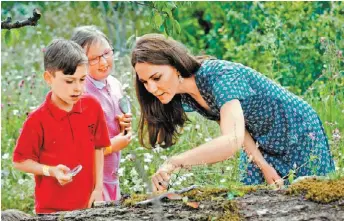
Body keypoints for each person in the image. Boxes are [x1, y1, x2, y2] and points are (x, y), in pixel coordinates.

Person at [131, 33, 335, 191]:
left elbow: (231, 140)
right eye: (145, 82)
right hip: (260, 140)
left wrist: (176, 162)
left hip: (296, 128)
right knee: (252, 197)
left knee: (308, 195)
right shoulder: (184, 95)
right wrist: (262, 164)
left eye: (156, 78)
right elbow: (237, 126)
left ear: (175, 65)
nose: (152, 89)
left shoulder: (218, 76)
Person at [12, 39, 110, 213]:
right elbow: (20, 161)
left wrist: (98, 189)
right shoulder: (37, 120)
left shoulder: (92, 107)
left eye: (82, 79)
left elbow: (98, 148)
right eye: (69, 81)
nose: (78, 88)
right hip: (51, 210)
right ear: (48, 78)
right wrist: (51, 171)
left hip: (89, 205)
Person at [71, 26, 132, 201]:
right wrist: (113, 144)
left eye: (106, 53)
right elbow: (77, 149)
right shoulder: (80, 94)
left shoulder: (114, 84)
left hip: (112, 177)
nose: (104, 62)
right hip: (89, 183)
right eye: (94, 59)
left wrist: (124, 126)